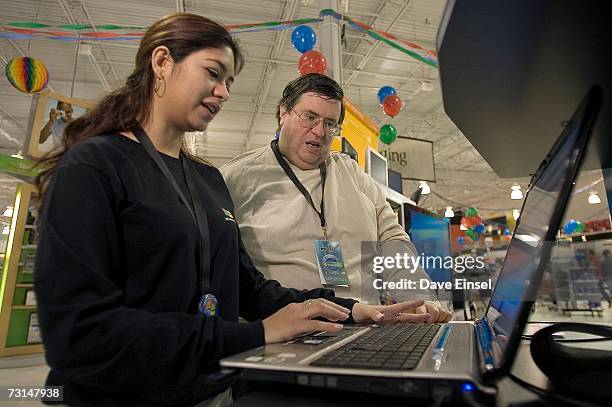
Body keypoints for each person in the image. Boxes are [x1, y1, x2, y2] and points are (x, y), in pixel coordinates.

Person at [34, 13, 437, 406]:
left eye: (228, 81)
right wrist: (256, 334)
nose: (225, 92)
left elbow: (248, 288)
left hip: (212, 387)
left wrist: (354, 310)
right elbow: (80, 332)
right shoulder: (96, 165)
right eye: (213, 73)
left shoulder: (206, 180)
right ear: (161, 63)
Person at [221, 73, 451, 321]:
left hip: (366, 327)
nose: (320, 131)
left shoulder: (353, 174)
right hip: (287, 335)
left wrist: (418, 297)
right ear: (283, 112)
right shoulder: (235, 179)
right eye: (310, 117)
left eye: (330, 123)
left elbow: (391, 240)